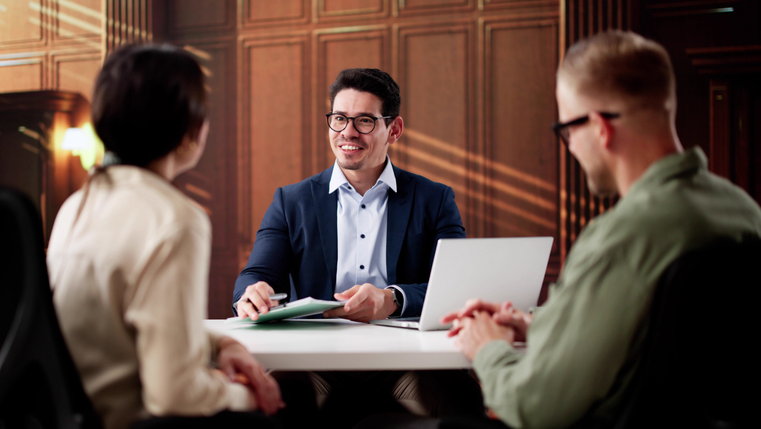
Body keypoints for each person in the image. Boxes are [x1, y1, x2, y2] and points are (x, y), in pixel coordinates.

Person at [440, 30, 761, 429]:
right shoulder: (743, 210)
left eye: (567, 132)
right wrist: (538, 326)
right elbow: (662, 341)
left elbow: (533, 407)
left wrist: (488, 349)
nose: (571, 146)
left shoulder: (621, 238)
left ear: (600, 128)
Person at [47, 44, 282, 429]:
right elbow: (173, 394)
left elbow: (125, 320)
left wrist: (221, 344)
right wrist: (247, 393)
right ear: (191, 129)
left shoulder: (75, 205)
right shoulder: (176, 219)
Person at [233, 68, 483, 426]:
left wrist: (392, 299)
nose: (347, 132)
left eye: (364, 120)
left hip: (405, 358)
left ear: (393, 130)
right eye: (339, 119)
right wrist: (251, 292)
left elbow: (455, 290)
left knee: (461, 395)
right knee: (272, 398)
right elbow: (256, 274)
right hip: (316, 359)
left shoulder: (434, 199)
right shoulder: (292, 201)